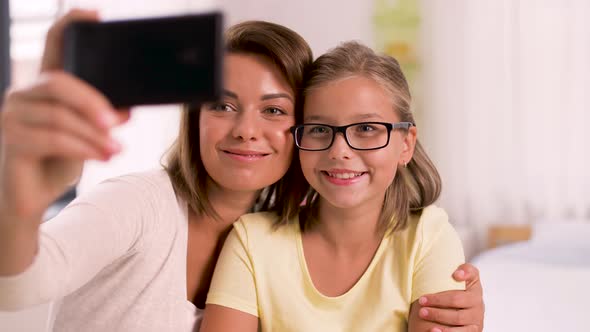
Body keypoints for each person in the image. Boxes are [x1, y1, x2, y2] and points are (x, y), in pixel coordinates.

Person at [0, 9, 483, 332]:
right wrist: (20, 197)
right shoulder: (140, 203)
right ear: (194, 117)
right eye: (222, 106)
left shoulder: (275, 224)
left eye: (274, 111)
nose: (246, 130)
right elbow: (20, 285)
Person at [201, 41, 474, 332]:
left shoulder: (428, 238)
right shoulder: (252, 241)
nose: (339, 151)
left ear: (405, 144)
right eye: (319, 130)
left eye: (366, 128)